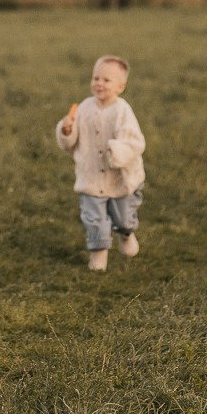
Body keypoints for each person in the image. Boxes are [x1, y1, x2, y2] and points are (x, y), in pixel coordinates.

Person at [54, 56, 146, 271]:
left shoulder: (123, 111)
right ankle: (98, 254)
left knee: (123, 217)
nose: (99, 83)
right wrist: (67, 130)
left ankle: (126, 234)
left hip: (119, 178)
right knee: (94, 218)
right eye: (96, 78)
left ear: (120, 87)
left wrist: (116, 151)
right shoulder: (85, 107)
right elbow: (71, 142)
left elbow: (134, 142)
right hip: (92, 176)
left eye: (106, 80)